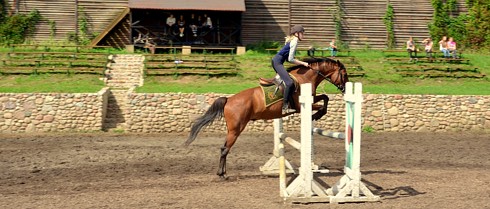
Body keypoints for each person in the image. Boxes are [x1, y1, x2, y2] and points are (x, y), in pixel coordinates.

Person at [272, 25, 309, 114]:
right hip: (277, 62)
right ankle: (284, 107)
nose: (303, 35)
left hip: (277, 62)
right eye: (302, 33)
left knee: (288, 81)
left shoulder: (293, 40)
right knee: (289, 83)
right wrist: (303, 63)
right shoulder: (295, 41)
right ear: (297, 34)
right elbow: (291, 59)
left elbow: (289, 58)